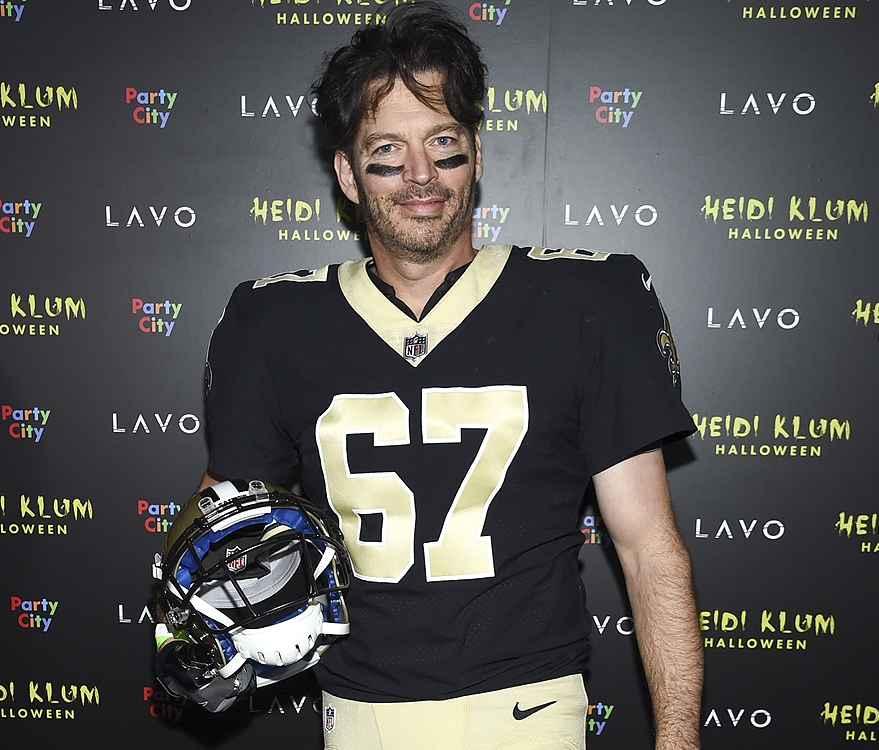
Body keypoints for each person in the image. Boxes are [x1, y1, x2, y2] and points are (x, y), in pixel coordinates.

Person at [194, 3, 703, 748]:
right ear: (346, 171)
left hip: (531, 713)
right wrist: (204, 605)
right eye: (387, 151)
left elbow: (647, 547)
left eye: (442, 142)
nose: (421, 175)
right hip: (359, 716)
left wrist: (680, 741)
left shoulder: (587, 304)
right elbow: (231, 525)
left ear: (477, 152)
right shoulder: (272, 322)